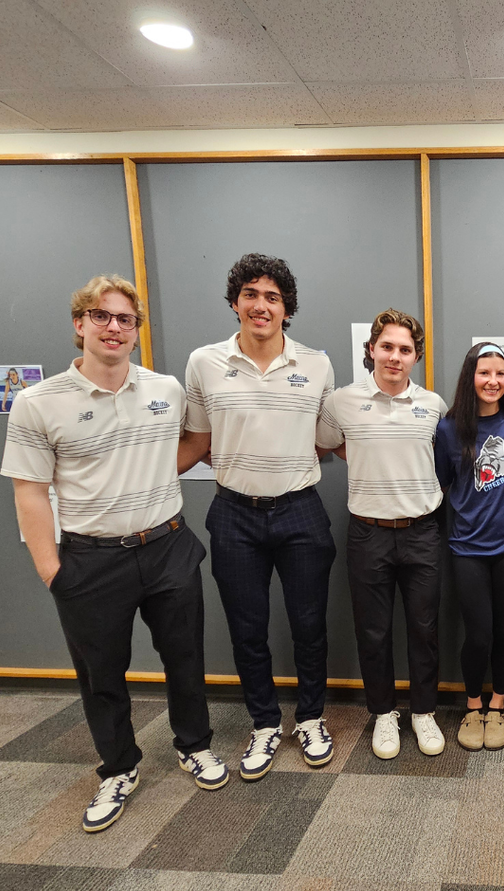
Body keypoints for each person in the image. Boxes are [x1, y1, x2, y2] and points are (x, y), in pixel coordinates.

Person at [1, 275, 228, 833]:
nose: (114, 327)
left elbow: (191, 445)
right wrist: (51, 569)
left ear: (135, 332)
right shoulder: (38, 402)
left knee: (185, 658)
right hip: (89, 560)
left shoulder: (165, 389)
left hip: (168, 545)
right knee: (102, 672)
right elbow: (29, 488)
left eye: (125, 319)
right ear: (80, 325)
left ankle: (194, 744)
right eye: (102, 316)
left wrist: (148, 479)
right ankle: (119, 767)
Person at [179, 254, 337, 781]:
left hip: (301, 512)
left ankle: (311, 717)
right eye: (251, 294)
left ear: (287, 309)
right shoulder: (205, 362)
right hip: (234, 514)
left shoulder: (316, 363)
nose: (261, 305)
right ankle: (265, 724)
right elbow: (199, 441)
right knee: (248, 629)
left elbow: (328, 437)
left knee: (309, 625)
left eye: (273, 297)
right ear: (235, 303)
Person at [316, 309, 447, 760]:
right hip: (368, 532)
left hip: (422, 531)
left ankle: (424, 712)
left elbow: (445, 456)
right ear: (371, 349)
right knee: (372, 631)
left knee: (424, 628)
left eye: (405, 350)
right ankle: (384, 714)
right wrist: (371, 457)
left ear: (416, 357)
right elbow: (326, 442)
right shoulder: (342, 401)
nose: (395, 356)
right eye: (386, 347)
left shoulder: (433, 405)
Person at [434, 344, 504, 751]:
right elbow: (439, 485)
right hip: (467, 547)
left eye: (501, 374)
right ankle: (473, 705)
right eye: (484, 373)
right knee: (479, 633)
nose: (493, 381)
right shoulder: (448, 429)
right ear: (469, 377)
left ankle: (498, 704)